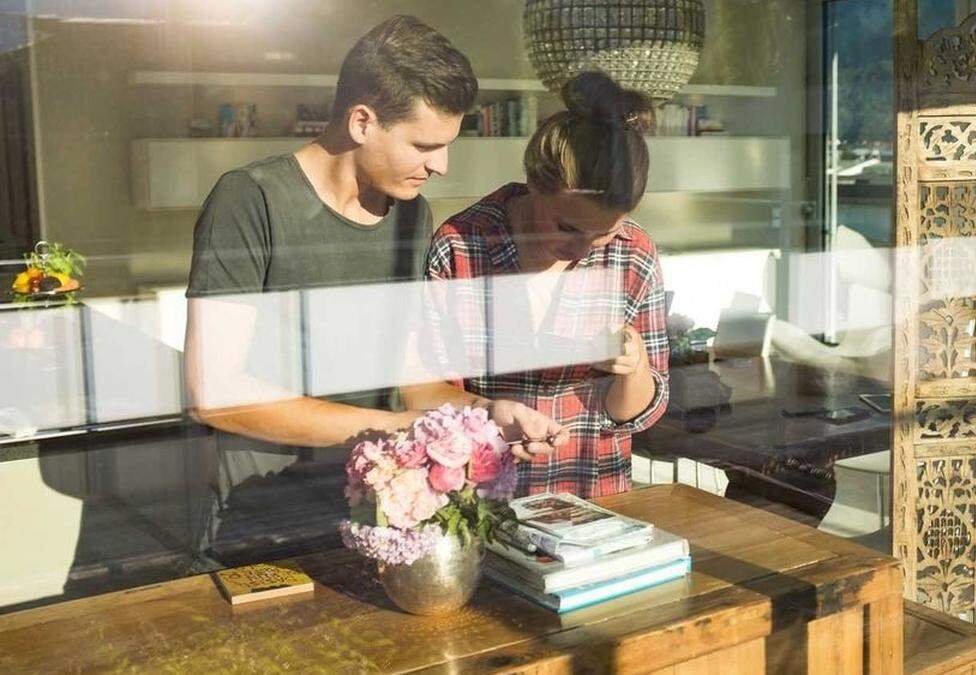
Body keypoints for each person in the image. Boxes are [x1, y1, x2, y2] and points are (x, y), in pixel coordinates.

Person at [183, 15, 562, 564]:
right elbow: (215, 393)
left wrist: (486, 414)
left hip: (384, 516)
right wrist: (393, 429)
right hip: (264, 520)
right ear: (362, 122)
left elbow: (412, 383)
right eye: (424, 145)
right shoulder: (250, 199)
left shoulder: (411, 214)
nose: (441, 165)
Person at [401, 71, 670, 498]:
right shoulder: (463, 247)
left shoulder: (632, 252)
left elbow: (635, 414)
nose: (584, 249)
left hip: (596, 503)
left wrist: (633, 367)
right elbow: (421, 392)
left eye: (602, 232)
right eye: (567, 227)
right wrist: (488, 412)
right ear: (535, 184)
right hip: (485, 505)